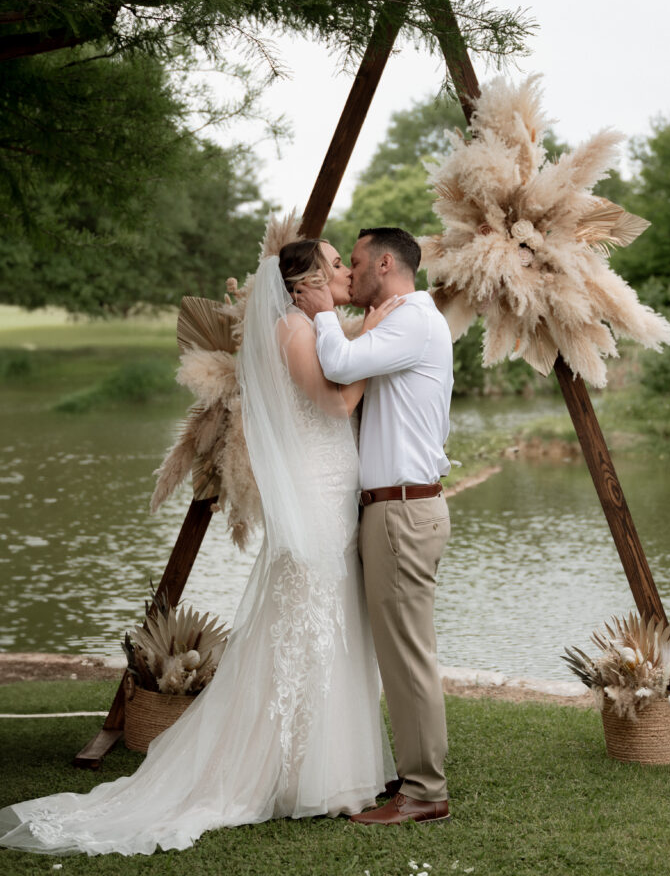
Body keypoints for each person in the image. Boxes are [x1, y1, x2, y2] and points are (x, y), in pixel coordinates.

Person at [0, 238, 400, 856]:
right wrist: (374, 350)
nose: (347, 270)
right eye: (336, 263)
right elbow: (336, 401)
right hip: (317, 501)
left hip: (331, 489)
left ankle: (325, 767)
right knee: (309, 626)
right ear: (306, 282)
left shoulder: (310, 326)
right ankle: (298, 774)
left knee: (322, 623)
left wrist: (353, 338)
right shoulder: (294, 331)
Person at [295, 227, 453, 826]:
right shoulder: (402, 319)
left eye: (356, 263)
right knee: (399, 652)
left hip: (401, 512)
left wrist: (320, 314)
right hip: (398, 508)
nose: (351, 274)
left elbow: (336, 363)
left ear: (385, 263)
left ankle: (423, 793)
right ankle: (414, 781)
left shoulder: (412, 320)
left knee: (407, 657)